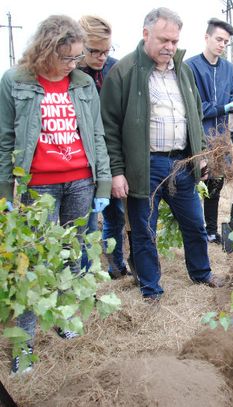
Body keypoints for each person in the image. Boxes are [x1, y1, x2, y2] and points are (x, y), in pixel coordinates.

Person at [0, 15, 112, 373]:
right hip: (39, 186)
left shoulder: (82, 84)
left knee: (70, 255)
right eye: (67, 58)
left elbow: (96, 135)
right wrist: (5, 190)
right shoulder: (15, 82)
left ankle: (64, 318)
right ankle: (24, 346)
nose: (73, 65)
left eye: (77, 58)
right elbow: (5, 142)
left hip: (81, 181)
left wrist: (104, 184)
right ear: (46, 50)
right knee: (33, 264)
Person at [100, 7, 224, 302]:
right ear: (146, 34)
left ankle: (201, 272)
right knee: (144, 229)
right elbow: (109, 128)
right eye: (164, 40)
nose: (170, 47)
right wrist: (117, 171)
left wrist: (200, 156)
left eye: (175, 41)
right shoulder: (125, 72)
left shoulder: (183, 71)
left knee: (195, 223)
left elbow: (193, 114)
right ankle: (151, 289)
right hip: (146, 164)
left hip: (181, 163)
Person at [186, 18, 233, 245]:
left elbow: (231, 95)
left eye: (226, 42)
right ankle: (192, 230)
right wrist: (223, 107)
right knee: (194, 184)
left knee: (215, 184)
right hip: (197, 137)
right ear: (207, 37)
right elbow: (194, 107)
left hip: (221, 137)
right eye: (219, 39)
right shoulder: (191, 67)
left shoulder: (229, 69)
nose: (222, 45)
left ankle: (210, 230)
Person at [78, 15, 129, 278]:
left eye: (105, 51)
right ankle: (84, 276)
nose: (100, 57)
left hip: (112, 158)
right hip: (82, 161)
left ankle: (116, 265)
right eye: (94, 51)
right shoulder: (71, 74)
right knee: (85, 225)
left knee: (115, 215)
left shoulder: (115, 69)